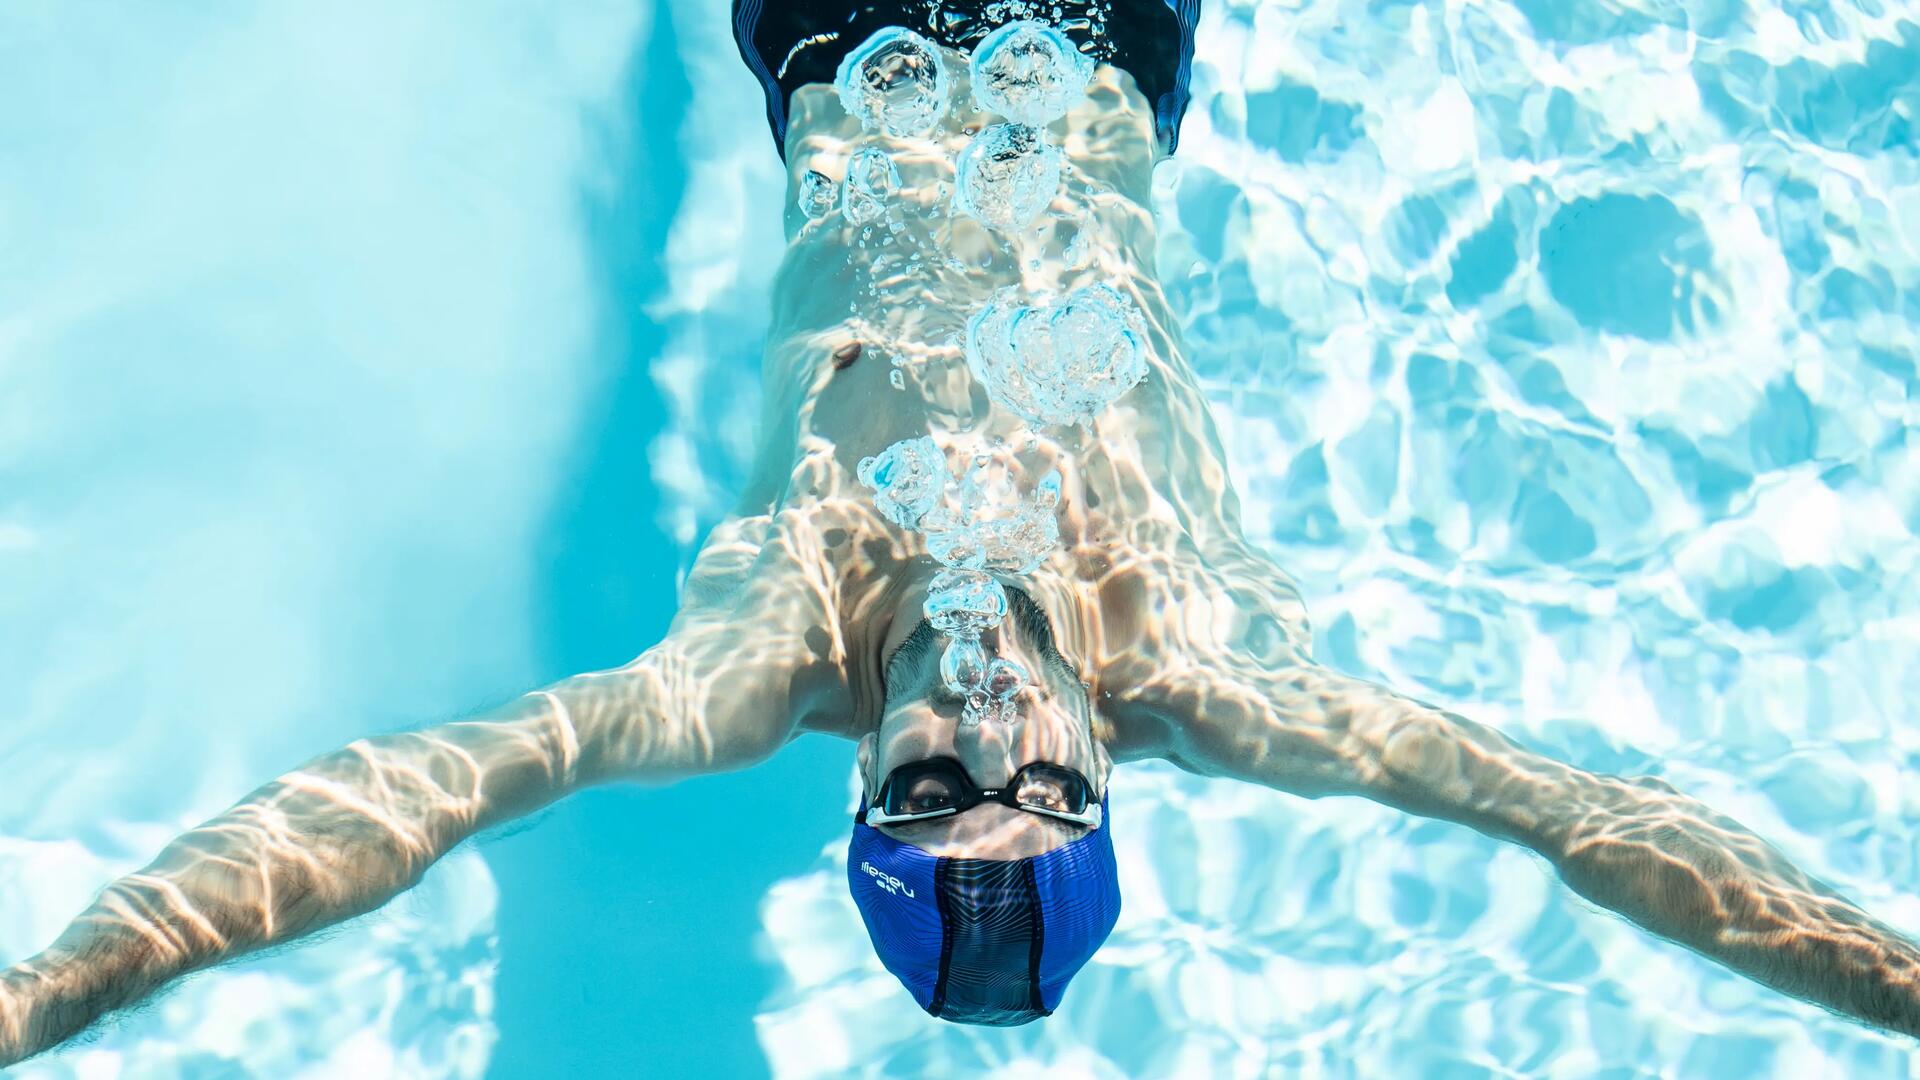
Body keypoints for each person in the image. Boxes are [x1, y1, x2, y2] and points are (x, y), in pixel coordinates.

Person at [3, 0, 1918, 1061]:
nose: (987, 735)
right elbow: (1584, 827)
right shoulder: (1209, 670)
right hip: (1102, 45)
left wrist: (51, 991)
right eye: (1043, 794)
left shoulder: (759, 657)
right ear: (1106, 779)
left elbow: (413, 801)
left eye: (931, 796)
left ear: (863, 800)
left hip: (837, 34)